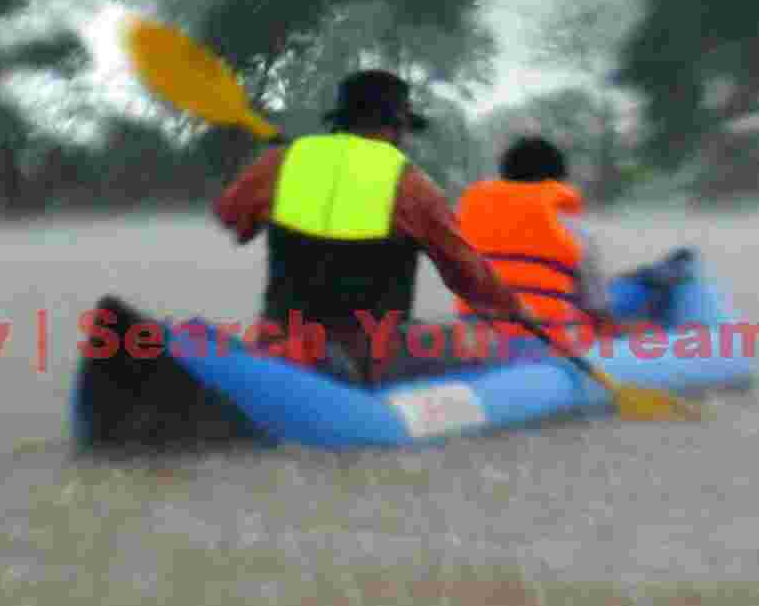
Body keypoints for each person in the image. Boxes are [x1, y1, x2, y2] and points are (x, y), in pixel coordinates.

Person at [213, 71, 545, 384]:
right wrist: (516, 309)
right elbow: (468, 275)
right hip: (371, 354)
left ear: (339, 121)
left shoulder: (280, 162)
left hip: (280, 340)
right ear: (397, 127)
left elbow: (229, 216)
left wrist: (284, 182)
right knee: (479, 340)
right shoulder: (415, 187)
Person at [454, 137, 611, 351]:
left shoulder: (464, 224)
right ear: (557, 182)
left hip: (478, 348)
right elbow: (597, 306)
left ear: (504, 178)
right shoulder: (574, 229)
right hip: (548, 351)